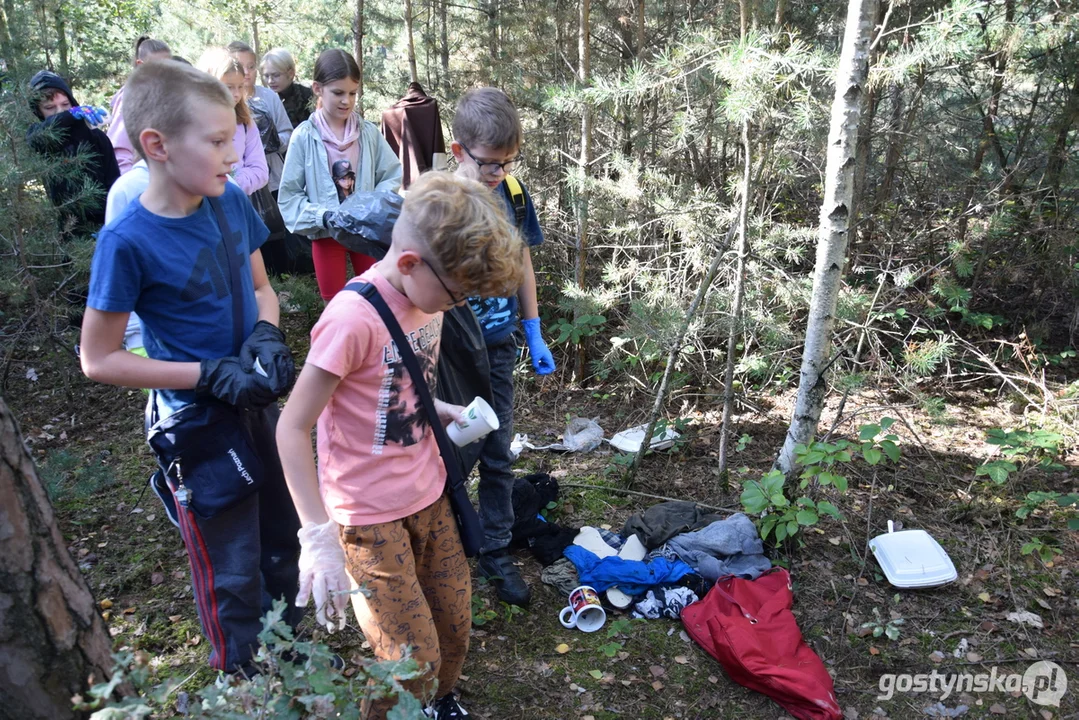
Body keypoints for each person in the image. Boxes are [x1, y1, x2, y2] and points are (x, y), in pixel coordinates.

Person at [276, 170, 526, 719]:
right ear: (411, 263)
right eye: (457, 293)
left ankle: (438, 705)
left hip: (429, 495)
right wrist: (316, 536)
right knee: (409, 660)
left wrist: (442, 410)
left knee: (454, 631)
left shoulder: (428, 300)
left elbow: (397, 389)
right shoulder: (350, 320)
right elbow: (292, 427)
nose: (458, 305)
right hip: (368, 518)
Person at [79, 59, 300, 673]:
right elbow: (99, 359)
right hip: (198, 427)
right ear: (158, 145)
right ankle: (247, 685)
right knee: (232, 566)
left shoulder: (229, 204)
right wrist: (204, 374)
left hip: (254, 404)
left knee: (282, 540)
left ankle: (291, 658)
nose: (235, 152)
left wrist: (265, 335)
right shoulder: (127, 240)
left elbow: (262, 291)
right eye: (218, 140)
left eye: (234, 135)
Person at [450, 87, 556, 606]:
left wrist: (532, 328)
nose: (499, 172)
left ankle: (494, 549)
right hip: (447, 353)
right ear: (458, 150)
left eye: (509, 161)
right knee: (450, 450)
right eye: (490, 163)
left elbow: (523, 263)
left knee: (496, 451)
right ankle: (444, 541)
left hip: (497, 346)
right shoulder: (443, 201)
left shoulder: (513, 194)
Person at [278, 49, 402, 301]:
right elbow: (289, 196)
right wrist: (324, 216)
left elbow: (391, 173)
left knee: (376, 296)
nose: (346, 100)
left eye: (352, 93)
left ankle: (375, 339)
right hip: (326, 237)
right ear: (317, 89)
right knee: (334, 301)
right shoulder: (304, 136)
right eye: (338, 92)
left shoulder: (367, 133)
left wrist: (370, 206)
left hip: (365, 232)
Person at [27, 70, 120, 232]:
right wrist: (70, 115)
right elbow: (35, 138)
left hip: (104, 225)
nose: (60, 111)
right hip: (66, 232)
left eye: (65, 105)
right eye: (49, 107)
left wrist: (112, 226)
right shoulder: (39, 137)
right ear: (38, 111)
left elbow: (114, 183)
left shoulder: (94, 136)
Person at [197, 48, 268, 195]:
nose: (236, 94)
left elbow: (260, 170)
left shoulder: (246, 123)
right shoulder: (192, 124)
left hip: (235, 201)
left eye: (240, 87)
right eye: (228, 87)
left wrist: (232, 183)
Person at [228, 42, 292, 195]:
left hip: (273, 181)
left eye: (251, 66)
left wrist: (272, 141)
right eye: (241, 66)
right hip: (238, 183)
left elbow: (288, 134)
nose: (247, 72)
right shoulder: (226, 103)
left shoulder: (269, 97)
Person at [108, 35, 171, 175]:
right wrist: (132, 181)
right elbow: (119, 149)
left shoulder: (166, 94)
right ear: (140, 64)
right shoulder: (129, 97)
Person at [261, 48, 313, 128]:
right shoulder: (264, 101)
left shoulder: (308, 95)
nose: (270, 81)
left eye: (276, 75)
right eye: (266, 76)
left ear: (291, 73)